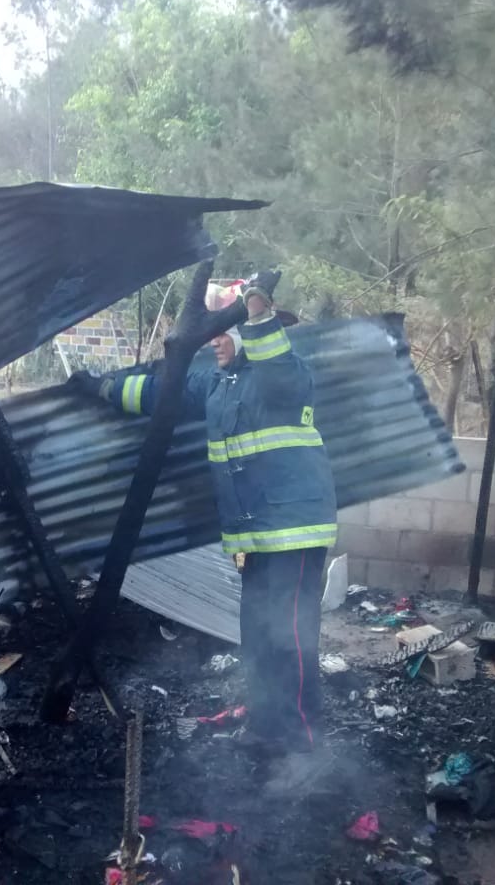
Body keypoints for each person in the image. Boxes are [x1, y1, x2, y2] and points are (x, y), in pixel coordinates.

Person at [71, 271, 337, 755]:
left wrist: (252, 308)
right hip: (254, 534)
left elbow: (272, 355)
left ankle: (303, 745)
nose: (215, 342)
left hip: (295, 530)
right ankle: (264, 727)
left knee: (290, 637)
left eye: (223, 332)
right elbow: (159, 394)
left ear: (250, 333)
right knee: (257, 635)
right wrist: (101, 388)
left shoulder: (287, 375)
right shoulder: (220, 382)